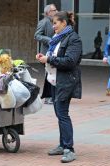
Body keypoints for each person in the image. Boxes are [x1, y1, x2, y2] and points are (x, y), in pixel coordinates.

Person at [36, 11, 82, 163]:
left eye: (55, 23)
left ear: (64, 23)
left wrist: (49, 58)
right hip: (55, 81)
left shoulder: (73, 38)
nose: (53, 26)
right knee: (59, 113)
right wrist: (45, 58)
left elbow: (70, 61)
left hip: (66, 82)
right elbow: (54, 56)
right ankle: (63, 145)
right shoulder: (57, 38)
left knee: (62, 114)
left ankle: (69, 149)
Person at [34, 4, 58, 104]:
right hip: (46, 53)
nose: (56, 11)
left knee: (52, 74)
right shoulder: (43, 22)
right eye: (54, 10)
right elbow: (37, 35)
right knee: (49, 74)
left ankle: (52, 96)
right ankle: (48, 97)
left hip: (54, 53)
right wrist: (50, 40)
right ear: (48, 12)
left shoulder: (55, 22)